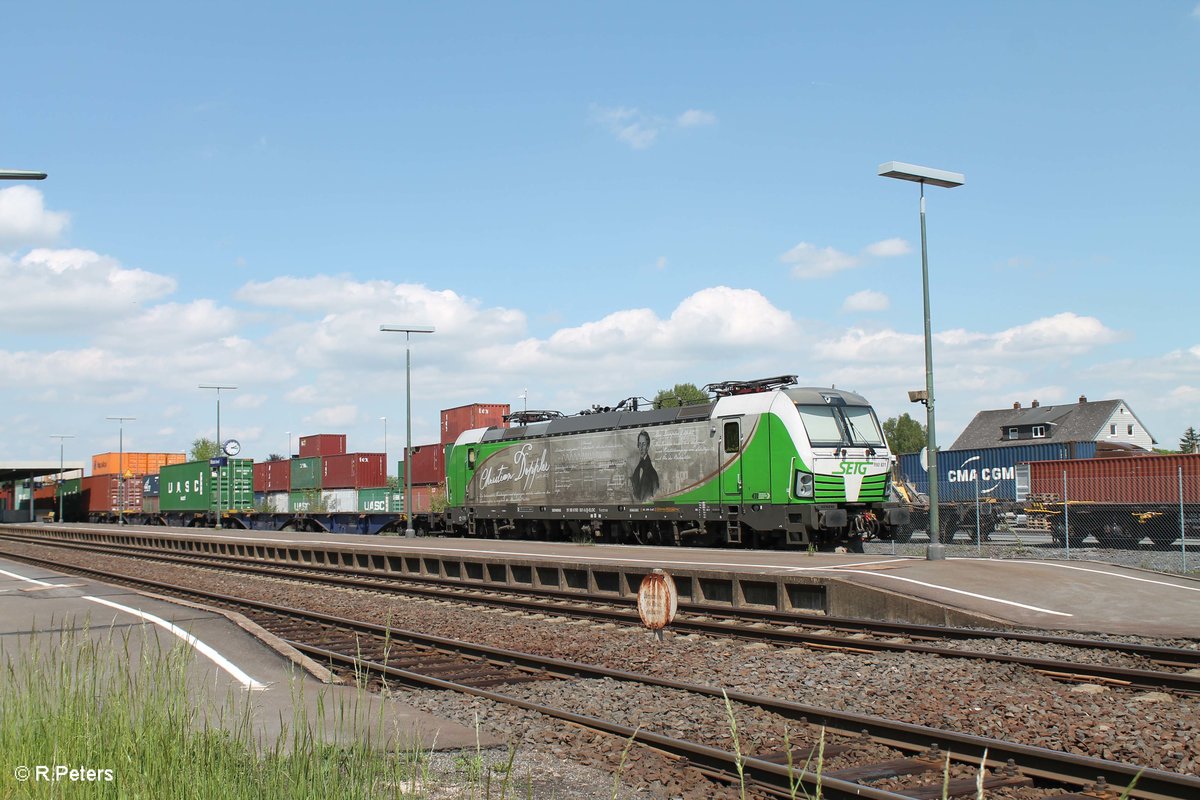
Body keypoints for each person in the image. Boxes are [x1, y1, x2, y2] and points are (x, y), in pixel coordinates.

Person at [630, 430, 660, 502]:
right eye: (639, 444)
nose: (641, 448)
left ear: (648, 446)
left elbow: (654, 495)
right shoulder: (637, 469)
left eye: (643, 444)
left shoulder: (653, 474)